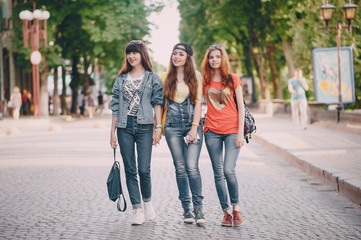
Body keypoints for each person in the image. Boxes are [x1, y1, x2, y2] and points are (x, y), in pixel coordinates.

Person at [109, 40, 163, 225]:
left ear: (142, 55)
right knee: (130, 169)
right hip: (124, 127)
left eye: (135, 53)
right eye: (128, 53)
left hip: (145, 126)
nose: (131, 56)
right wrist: (112, 132)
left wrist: (158, 128)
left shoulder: (153, 78)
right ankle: (137, 209)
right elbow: (115, 107)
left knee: (144, 169)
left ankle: (147, 202)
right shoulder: (121, 79)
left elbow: (157, 103)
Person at [201, 44, 245, 227]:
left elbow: (241, 107)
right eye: (211, 57)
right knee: (218, 173)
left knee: (228, 170)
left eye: (217, 57)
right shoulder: (204, 80)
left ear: (223, 58)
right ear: (207, 60)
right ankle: (226, 212)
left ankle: (236, 208)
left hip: (232, 130)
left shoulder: (233, 79)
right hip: (211, 131)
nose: (214, 60)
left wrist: (240, 133)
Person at [162, 43, 205, 225]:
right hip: (172, 126)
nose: (176, 57)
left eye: (180, 54)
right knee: (180, 168)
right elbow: (162, 105)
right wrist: (158, 128)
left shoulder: (195, 76)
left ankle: (199, 210)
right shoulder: (167, 76)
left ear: (188, 57)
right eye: (174, 53)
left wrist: (194, 128)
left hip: (191, 124)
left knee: (191, 166)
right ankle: (186, 209)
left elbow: (198, 103)